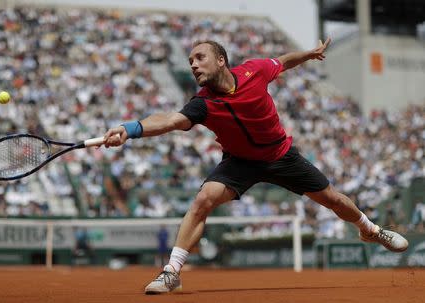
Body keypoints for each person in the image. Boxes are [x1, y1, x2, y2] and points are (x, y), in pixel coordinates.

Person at [103, 38, 409, 294]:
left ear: (221, 60)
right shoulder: (203, 102)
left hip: (281, 155)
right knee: (203, 199)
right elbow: (169, 120)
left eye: (200, 57)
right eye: (190, 61)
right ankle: (172, 272)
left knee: (333, 199)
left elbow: (282, 62)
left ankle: (370, 230)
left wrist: (309, 54)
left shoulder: (254, 70)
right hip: (239, 162)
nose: (193, 65)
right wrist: (129, 129)